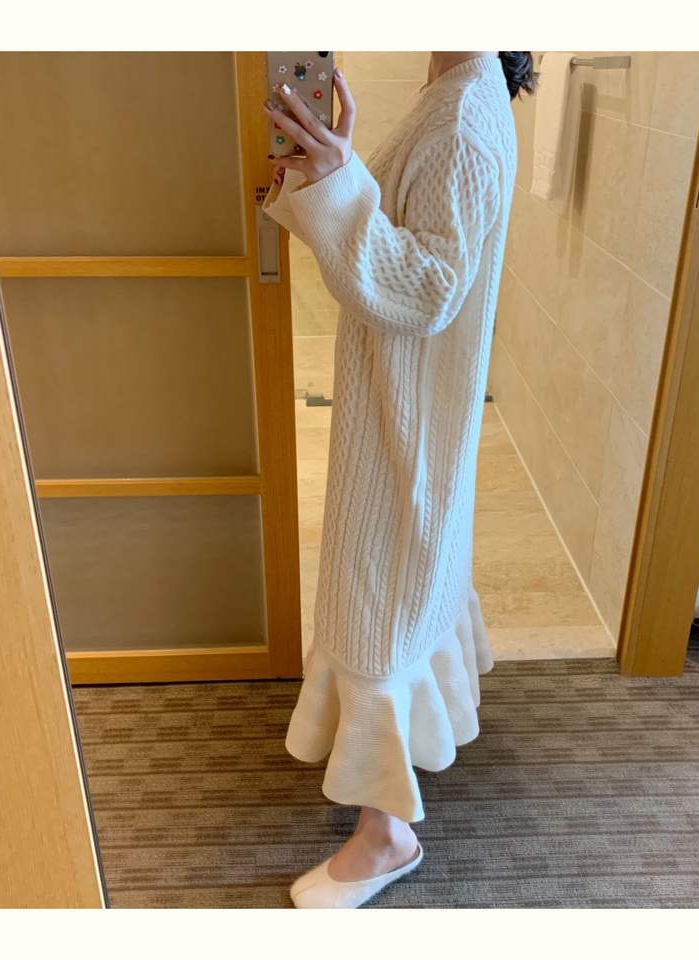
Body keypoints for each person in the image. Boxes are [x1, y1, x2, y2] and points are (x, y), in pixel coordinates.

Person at [261, 50, 535, 909]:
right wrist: (335, 173)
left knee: (375, 612)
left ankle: (386, 838)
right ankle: (390, 799)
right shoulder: (459, 88)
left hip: (407, 412)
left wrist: (339, 182)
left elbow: (427, 288)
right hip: (410, 400)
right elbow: (418, 247)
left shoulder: (461, 117)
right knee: (402, 586)